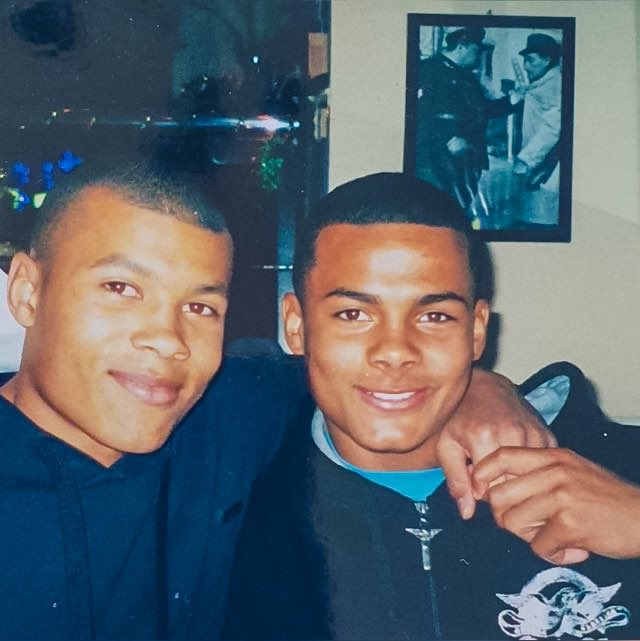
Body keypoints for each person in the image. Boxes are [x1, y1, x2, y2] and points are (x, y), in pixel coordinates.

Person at [0, 165, 555, 640]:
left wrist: (479, 387)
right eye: (120, 289)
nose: (167, 339)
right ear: (27, 290)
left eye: (200, 307)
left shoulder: (225, 416)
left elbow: (354, 371)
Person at [222, 172, 640, 640]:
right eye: (353, 314)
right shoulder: (231, 515)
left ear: (477, 331)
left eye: (435, 316)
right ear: (296, 326)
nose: (396, 350)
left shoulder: (614, 476)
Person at [416, 27, 511, 212]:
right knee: (438, 211)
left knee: (460, 210)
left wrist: (512, 101)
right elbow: (420, 112)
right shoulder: (428, 70)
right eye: (476, 49)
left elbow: (483, 109)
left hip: (469, 159)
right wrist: (448, 137)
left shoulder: (468, 78)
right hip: (439, 158)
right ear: (462, 45)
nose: (479, 56)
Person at [512, 33, 562, 225]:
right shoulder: (542, 83)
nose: (525, 67)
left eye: (531, 60)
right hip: (533, 163)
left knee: (542, 219)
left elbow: (553, 127)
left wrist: (526, 160)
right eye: (525, 60)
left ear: (547, 60)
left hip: (543, 164)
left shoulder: (555, 84)